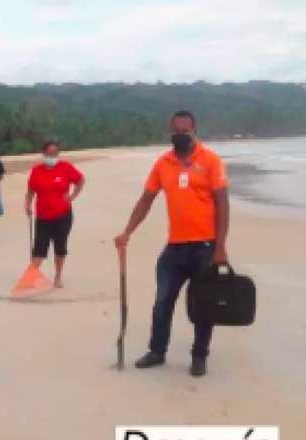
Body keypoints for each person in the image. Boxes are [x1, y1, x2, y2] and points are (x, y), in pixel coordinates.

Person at [114, 110, 230, 377]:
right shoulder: (163, 163)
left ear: (194, 130)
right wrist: (127, 231)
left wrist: (220, 246)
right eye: (176, 131)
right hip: (175, 247)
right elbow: (146, 200)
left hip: (205, 247)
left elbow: (222, 204)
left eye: (185, 131)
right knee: (162, 302)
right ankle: (157, 351)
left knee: (203, 304)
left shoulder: (210, 160)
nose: (180, 135)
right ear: (171, 131)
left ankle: (199, 356)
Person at [25, 140, 85, 288]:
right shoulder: (36, 171)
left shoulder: (65, 167)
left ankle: (58, 277)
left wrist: (72, 196)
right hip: (43, 217)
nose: (52, 156)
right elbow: (30, 192)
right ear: (43, 153)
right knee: (39, 248)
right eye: (49, 153)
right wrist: (27, 205)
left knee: (60, 247)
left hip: (63, 215)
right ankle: (31, 276)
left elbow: (80, 180)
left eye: (55, 153)